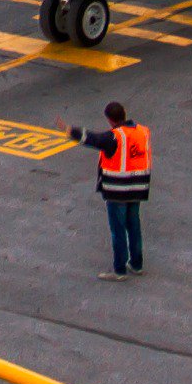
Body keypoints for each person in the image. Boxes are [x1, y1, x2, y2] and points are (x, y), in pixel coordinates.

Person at [70, 101, 151, 276]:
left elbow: (93, 139)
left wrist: (72, 131)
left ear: (110, 120)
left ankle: (119, 270)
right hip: (138, 188)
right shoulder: (142, 131)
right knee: (134, 226)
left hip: (117, 190)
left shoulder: (115, 136)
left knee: (118, 231)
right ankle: (137, 264)